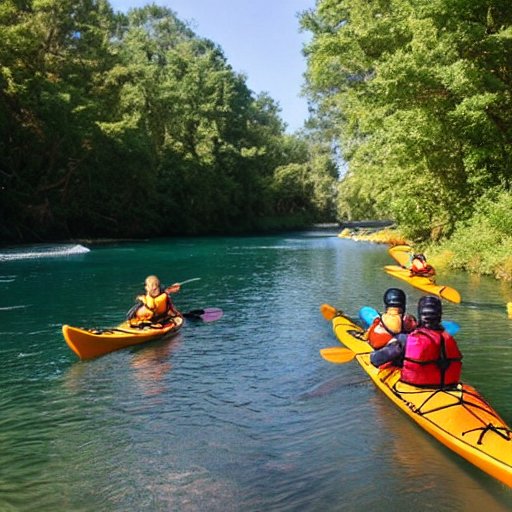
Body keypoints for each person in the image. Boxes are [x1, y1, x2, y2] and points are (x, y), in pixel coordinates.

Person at [371, 296, 463, 389]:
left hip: (415, 386)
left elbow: (375, 360)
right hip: (448, 385)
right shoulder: (449, 338)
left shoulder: (406, 339)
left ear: (420, 315)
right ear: (439, 316)